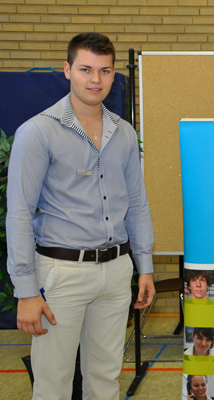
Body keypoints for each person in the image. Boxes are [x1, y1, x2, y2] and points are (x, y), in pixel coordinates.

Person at [6, 32, 155, 400]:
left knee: (105, 380)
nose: (95, 80)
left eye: (104, 71)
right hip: (61, 274)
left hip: (116, 272)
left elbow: (137, 205)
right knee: (53, 385)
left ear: (114, 73)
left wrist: (145, 267)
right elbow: (20, 212)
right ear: (67, 69)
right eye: (86, 69)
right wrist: (26, 290)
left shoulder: (124, 133)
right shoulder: (37, 132)